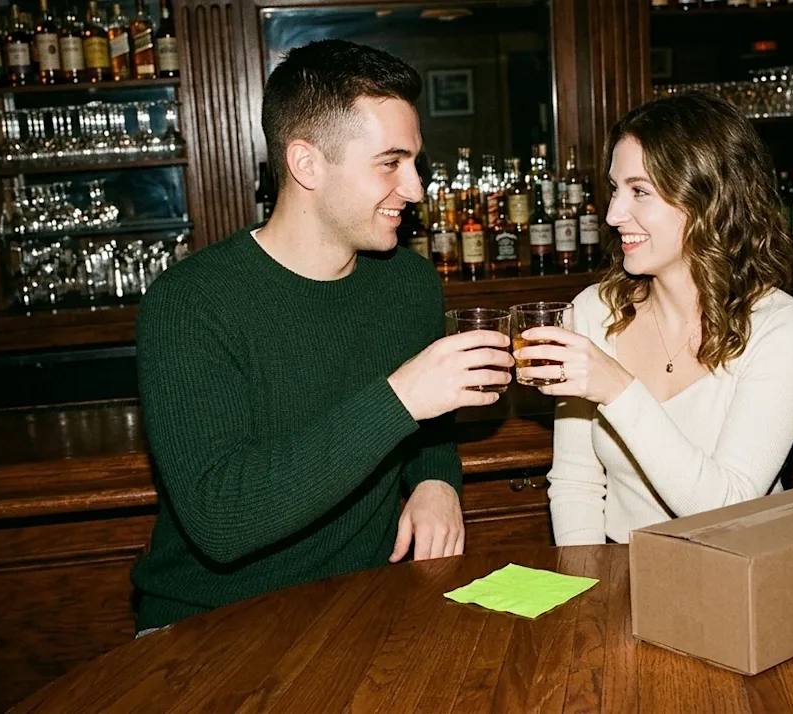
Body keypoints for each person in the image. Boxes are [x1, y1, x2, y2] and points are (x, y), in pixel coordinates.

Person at [130, 40, 513, 633]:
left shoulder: (408, 282)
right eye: (390, 162)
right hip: (212, 625)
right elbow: (221, 520)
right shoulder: (191, 303)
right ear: (306, 163)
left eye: (414, 162)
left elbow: (427, 422)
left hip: (364, 604)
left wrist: (436, 479)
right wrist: (399, 398)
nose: (414, 189)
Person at [517, 92, 793, 545]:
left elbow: (728, 507)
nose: (614, 214)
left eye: (640, 191)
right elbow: (576, 484)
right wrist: (586, 593)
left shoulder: (784, 328)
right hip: (621, 573)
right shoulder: (592, 312)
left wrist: (618, 390)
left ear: (709, 198)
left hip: (739, 576)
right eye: (616, 189)